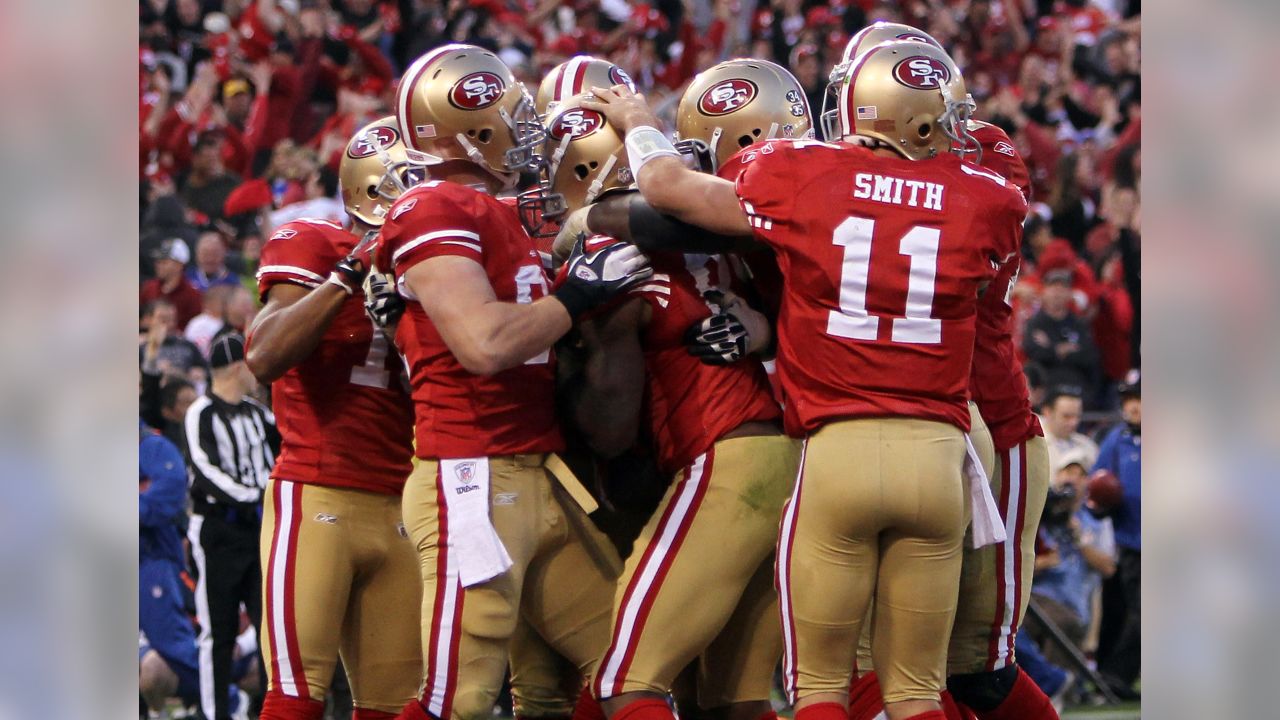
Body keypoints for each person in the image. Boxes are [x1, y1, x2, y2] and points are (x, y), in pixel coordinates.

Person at [581, 38, 1024, 720]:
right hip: (944, 451)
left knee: (819, 687)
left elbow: (668, 191)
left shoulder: (803, 172)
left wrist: (638, 121)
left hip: (836, 451)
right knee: (913, 690)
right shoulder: (989, 196)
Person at [373, 44, 651, 720]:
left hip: (539, 471)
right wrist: (578, 299)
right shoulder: (432, 207)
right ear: (467, 121)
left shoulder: (503, 211)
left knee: (632, 667)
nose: (527, 124)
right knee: (458, 698)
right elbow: (485, 344)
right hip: (469, 472)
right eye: (512, 110)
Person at [543, 71, 803, 720]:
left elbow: (610, 426)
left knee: (624, 680)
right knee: (731, 701)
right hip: (785, 461)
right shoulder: (720, 240)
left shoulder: (611, 255)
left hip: (724, 465)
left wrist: (568, 354)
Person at [245, 116, 422, 720]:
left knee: (396, 707)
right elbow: (264, 356)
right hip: (318, 494)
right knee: (295, 698)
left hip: (404, 506)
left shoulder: (445, 257)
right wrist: (349, 274)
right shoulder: (315, 244)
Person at [184, 332, 280, 720]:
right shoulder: (201, 412)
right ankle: (216, 713)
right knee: (218, 633)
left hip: (259, 530)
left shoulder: (259, 414)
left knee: (269, 629)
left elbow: (285, 452)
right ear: (239, 367)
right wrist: (256, 493)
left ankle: (271, 709)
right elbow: (205, 471)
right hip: (218, 532)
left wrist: (268, 494)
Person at [1026, 451, 1117, 669]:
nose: (1072, 479)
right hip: (1037, 596)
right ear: (1057, 476)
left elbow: (1108, 568)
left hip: (1072, 604)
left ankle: (1056, 685)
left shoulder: (1096, 521)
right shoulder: (1038, 513)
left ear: (1088, 482)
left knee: (1064, 623)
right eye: (1067, 472)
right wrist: (1043, 563)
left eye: (1080, 474)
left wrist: (1080, 540)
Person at [139, 419, 201, 714]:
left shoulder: (152, 446)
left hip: (152, 561)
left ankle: (226, 696)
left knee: (174, 647)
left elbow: (166, 499)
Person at [1092, 371, 1140, 699]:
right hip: (1134, 543)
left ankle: (1114, 676)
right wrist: (1101, 503)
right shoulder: (1116, 440)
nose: (1134, 407)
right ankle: (1113, 677)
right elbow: (1097, 486)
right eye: (1129, 401)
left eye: (1139, 400)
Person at [1021, 267, 1100, 406]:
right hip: (1045, 392)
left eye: (1062, 288)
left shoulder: (1078, 324)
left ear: (1070, 293)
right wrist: (1063, 349)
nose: (1057, 292)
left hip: (1078, 390)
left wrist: (1051, 348)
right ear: (1044, 291)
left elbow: (1089, 356)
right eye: (1053, 287)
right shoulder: (1035, 323)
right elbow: (1034, 352)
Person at [141, 238, 204, 331]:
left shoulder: (192, 295)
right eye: (158, 261)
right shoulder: (149, 287)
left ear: (179, 265)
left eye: (164, 262)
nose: (158, 265)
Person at [1039, 385, 1099, 473]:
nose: (1074, 423)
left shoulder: (1089, 447)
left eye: (1077, 416)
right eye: (1066, 416)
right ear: (1047, 412)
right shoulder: (1031, 445)